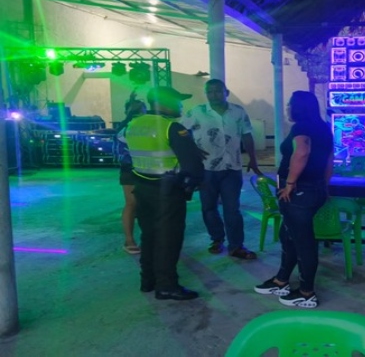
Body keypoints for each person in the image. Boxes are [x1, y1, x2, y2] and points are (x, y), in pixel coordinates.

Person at [123, 86, 204, 300]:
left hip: (142, 188)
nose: (180, 105)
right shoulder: (172, 127)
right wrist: (192, 185)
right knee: (169, 239)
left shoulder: (134, 124)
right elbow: (193, 166)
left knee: (149, 236)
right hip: (168, 192)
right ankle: (167, 285)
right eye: (177, 101)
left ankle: (148, 280)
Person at [254, 91, 334, 309]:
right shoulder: (324, 128)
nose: (288, 108)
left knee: (303, 242)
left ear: (298, 107)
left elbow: (302, 152)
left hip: (299, 191)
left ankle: (307, 293)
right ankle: (281, 281)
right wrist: (325, 186)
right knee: (288, 235)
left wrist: (289, 183)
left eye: (290, 104)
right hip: (314, 188)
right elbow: (330, 160)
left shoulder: (301, 128)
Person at [180, 79, 261, 259]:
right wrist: (191, 150)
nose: (213, 95)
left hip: (232, 168)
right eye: (209, 92)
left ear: (226, 92)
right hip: (206, 169)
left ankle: (236, 246)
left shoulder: (238, 112)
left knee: (232, 209)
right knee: (208, 207)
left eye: (217, 91)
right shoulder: (197, 112)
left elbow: (247, 135)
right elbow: (181, 132)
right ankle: (217, 239)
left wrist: (253, 159)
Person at [116, 92, 146, 254]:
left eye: (142, 109)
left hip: (151, 169)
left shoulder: (151, 125)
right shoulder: (124, 128)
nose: (139, 112)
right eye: (135, 110)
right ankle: (129, 240)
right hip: (130, 169)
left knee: (147, 204)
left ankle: (149, 238)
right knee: (132, 203)